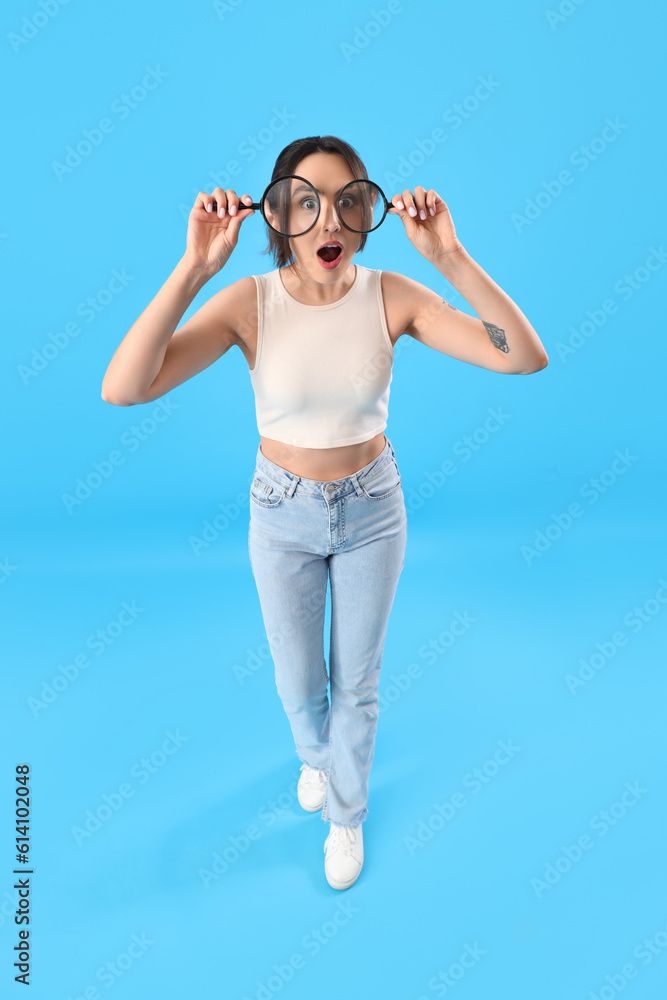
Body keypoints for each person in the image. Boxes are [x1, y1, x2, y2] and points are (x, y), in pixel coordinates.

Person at [101, 135, 549, 891]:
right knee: (296, 683)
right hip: (281, 512)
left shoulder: (392, 295)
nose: (327, 221)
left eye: (346, 201)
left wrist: (449, 257)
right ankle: (317, 757)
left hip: (373, 505)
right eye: (304, 203)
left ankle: (346, 813)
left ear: (366, 211)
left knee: (358, 683)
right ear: (274, 215)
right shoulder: (249, 302)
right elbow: (125, 387)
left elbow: (520, 356)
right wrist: (194, 269)